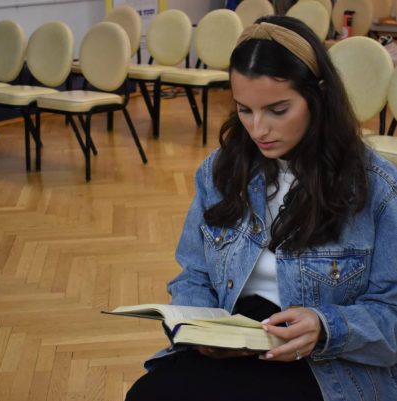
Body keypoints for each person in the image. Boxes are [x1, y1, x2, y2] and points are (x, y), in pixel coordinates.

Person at [126, 15, 397, 401]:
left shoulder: (378, 189)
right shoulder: (219, 171)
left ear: (318, 97)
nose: (258, 130)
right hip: (234, 342)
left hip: (329, 362)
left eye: (277, 110)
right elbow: (194, 276)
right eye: (244, 110)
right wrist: (198, 330)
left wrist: (325, 327)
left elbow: (392, 316)